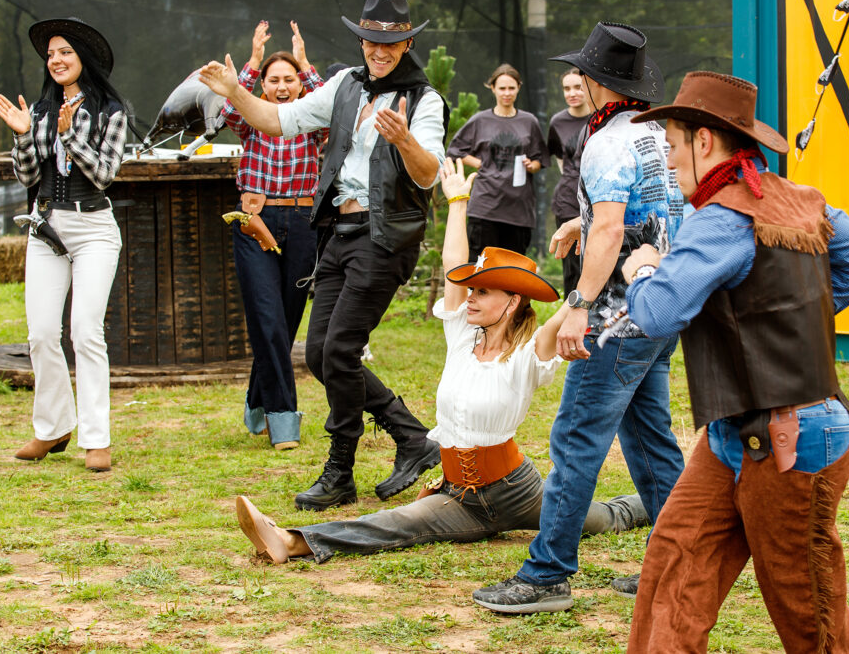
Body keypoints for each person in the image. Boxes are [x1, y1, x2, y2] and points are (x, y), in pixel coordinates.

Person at [233, 158, 649, 565]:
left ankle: (668, 500)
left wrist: (605, 228)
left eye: (482, 292)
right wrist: (457, 202)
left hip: (517, 490)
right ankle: (289, 541)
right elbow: (454, 264)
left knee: (606, 517)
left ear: (513, 300)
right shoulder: (461, 335)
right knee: (395, 523)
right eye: (472, 291)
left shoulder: (531, 350)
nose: (470, 297)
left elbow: (581, 293)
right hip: (459, 496)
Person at [620, 71, 849, 652]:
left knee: (809, 614)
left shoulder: (718, 218)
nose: (668, 158)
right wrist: (784, 316)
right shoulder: (800, 199)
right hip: (734, 431)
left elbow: (658, 313)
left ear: (704, 142)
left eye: (671, 144)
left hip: (794, 437)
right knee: (673, 570)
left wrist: (641, 268)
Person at [200, 0, 447, 509]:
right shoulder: (345, 85)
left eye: (391, 42)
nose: (380, 51)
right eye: (372, 41)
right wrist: (233, 92)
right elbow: (276, 120)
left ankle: (340, 470)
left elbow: (428, 176)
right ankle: (413, 437)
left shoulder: (423, 101)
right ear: (362, 40)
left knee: (338, 351)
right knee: (318, 353)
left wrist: (404, 141)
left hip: (385, 236)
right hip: (338, 232)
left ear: (407, 42)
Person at [473, 22, 685, 614]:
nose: (579, 83)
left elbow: (616, 226)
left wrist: (580, 306)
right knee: (650, 441)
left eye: (583, 75)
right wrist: (581, 224)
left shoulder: (608, 143)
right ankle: (681, 567)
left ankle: (546, 574)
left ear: (598, 84)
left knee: (575, 440)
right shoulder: (658, 134)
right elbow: (651, 215)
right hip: (659, 309)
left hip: (615, 318)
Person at [0, 18, 129, 472]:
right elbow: (28, 177)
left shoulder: (111, 110)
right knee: (41, 334)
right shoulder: (39, 109)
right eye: (50, 54)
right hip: (46, 228)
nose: (56, 60)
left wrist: (71, 135)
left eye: (64, 52)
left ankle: (96, 438)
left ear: (82, 58)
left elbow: (105, 175)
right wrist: (22, 134)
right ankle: (52, 428)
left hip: (93, 229)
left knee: (86, 331)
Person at [220, 20, 322, 450]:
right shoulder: (251, 120)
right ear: (263, 86)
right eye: (273, 81)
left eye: (290, 80)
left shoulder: (314, 122)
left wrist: (305, 63)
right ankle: (283, 420)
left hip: (302, 225)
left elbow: (332, 104)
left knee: (285, 319)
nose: (282, 87)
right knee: (266, 315)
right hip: (255, 225)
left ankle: (256, 401)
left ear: (299, 84)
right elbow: (229, 108)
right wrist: (253, 62)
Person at [447, 64, 548, 259]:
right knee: (480, 270)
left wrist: (531, 165)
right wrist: (478, 163)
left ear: (519, 87)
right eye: (502, 88)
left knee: (512, 274)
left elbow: (539, 159)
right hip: (485, 207)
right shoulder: (480, 120)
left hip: (519, 210)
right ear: (492, 88)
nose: (507, 93)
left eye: (511, 88)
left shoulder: (530, 122)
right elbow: (455, 150)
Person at [547, 68, 590, 295]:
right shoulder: (557, 121)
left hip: (598, 202)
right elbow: (561, 159)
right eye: (567, 88)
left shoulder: (599, 118)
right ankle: (571, 323)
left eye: (578, 87)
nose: (572, 93)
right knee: (572, 269)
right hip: (567, 202)